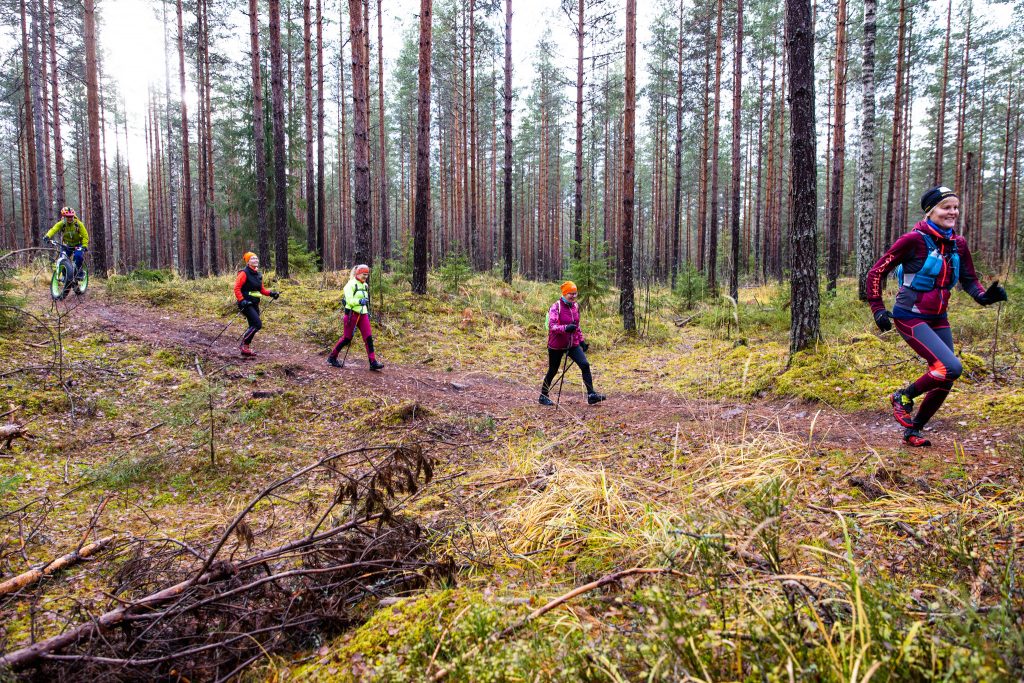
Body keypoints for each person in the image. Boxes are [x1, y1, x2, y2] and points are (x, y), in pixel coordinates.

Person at [866, 185, 1007, 447]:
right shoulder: (912, 240)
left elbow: (968, 279)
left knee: (946, 376)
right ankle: (902, 397)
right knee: (950, 367)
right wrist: (877, 307)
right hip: (910, 315)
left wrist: (983, 297)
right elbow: (876, 272)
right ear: (931, 211)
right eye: (946, 207)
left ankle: (914, 430)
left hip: (939, 317)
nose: (952, 212)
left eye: (955, 207)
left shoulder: (958, 243)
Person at [539, 281, 605, 406]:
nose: (574, 296)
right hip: (556, 345)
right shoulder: (556, 306)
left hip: (572, 343)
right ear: (564, 293)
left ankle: (591, 395)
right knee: (553, 370)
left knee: (585, 365)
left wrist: (581, 341)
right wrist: (565, 328)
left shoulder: (575, 306)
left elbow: (577, 326)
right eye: (571, 294)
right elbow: (552, 326)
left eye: (575, 293)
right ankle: (543, 396)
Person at [327, 264, 384, 371]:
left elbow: (365, 301)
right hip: (351, 315)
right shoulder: (350, 285)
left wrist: (367, 310)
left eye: (367, 274)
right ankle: (332, 357)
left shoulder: (365, 286)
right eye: (364, 274)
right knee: (347, 339)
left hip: (363, 315)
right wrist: (359, 301)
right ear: (358, 273)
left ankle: (373, 362)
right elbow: (349, 301)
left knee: (368, 338)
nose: (366, 276)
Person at [233, 252, 279, 357]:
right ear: (248, 261)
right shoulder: (244, 273)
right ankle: (243, 345)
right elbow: (237, 288)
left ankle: (246, 348)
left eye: (256, 258)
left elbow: (261, 289)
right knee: (257, 324)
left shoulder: (258, 274)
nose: (255, 260)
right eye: (252, 258)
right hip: (245, 303)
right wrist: (242, 300)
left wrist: (271, 294)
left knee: (252, 326)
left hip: (254, 303)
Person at [44, 207, 89, 277]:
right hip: (67, 245)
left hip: (78, 245)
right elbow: (53, 229)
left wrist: (84, 246)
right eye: (68, 217)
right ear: (64, 217)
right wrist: (47, 236)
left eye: (71, 216)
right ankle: (65, 276)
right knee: (62, 259)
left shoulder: (79, 224)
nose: (70, 218)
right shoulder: (62, 224)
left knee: (78, 256)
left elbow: (85, 236)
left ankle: (80, 273)